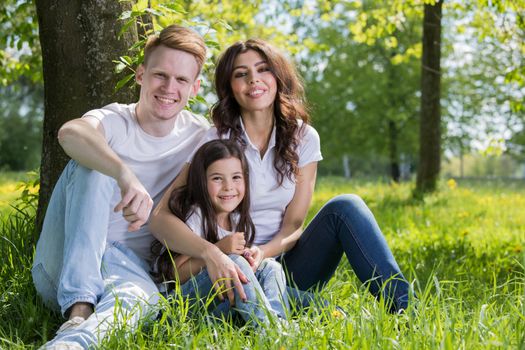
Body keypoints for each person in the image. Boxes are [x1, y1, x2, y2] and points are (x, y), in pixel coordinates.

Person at [150, 38, 413, 314]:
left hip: (285, 266)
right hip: (231, 268)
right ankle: (283, 308)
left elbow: (293, 227)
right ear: (230, 87)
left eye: (263, 69)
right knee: (307, 306)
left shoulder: (304, 138)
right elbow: (160, 219)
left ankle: (406, 311)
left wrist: (262, 252)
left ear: (278, 76)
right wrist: (212, 252)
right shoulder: (216, 140)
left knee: (347, 206)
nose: (254, 80)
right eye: (241, 74)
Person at [30, 25, 233, 349]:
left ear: (194, 88)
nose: (169, 87)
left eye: (181, 80)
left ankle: (70, 343)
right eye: (160, 75)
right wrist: (124, 175)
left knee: (145, 302)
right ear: (140, 74)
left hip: (130, 271)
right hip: (63, 266)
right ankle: (79, 307)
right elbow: (70, 132)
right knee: (93, 165)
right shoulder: (115, 120)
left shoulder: (200, 137)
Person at [152, 139, 289, 325]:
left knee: (270, 267)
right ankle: (269, 329)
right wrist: (221, 250)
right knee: (234, 263)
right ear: (201, 181)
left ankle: (279, 323)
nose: (228, 187)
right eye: (217, 178)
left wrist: (249, 258)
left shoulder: (235, 218)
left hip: (220, 301)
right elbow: (175, 274)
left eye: (236, 177)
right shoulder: (195, 216)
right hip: (180, 306)